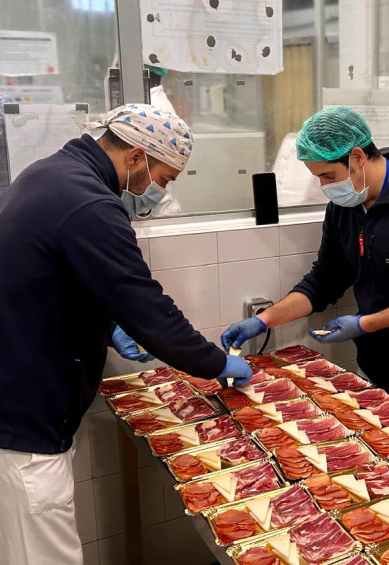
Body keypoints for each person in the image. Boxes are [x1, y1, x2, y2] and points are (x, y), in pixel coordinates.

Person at [0, 103, 251, 565]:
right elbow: (149, 308)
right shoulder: (91, 203)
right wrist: (216, 364)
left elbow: (57, 272)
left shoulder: (50, 174)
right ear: (136, 156)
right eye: (165, 178)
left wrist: (108, 322)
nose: (159, 191)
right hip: (25, 419)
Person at [222, 106, 389, 440]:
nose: (324, 186)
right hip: (374, 369)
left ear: (357, 157)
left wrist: (363, 324)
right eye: (317, 177)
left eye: (327, 176)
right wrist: (264, 320)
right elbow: (324, 279)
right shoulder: (346, 209)